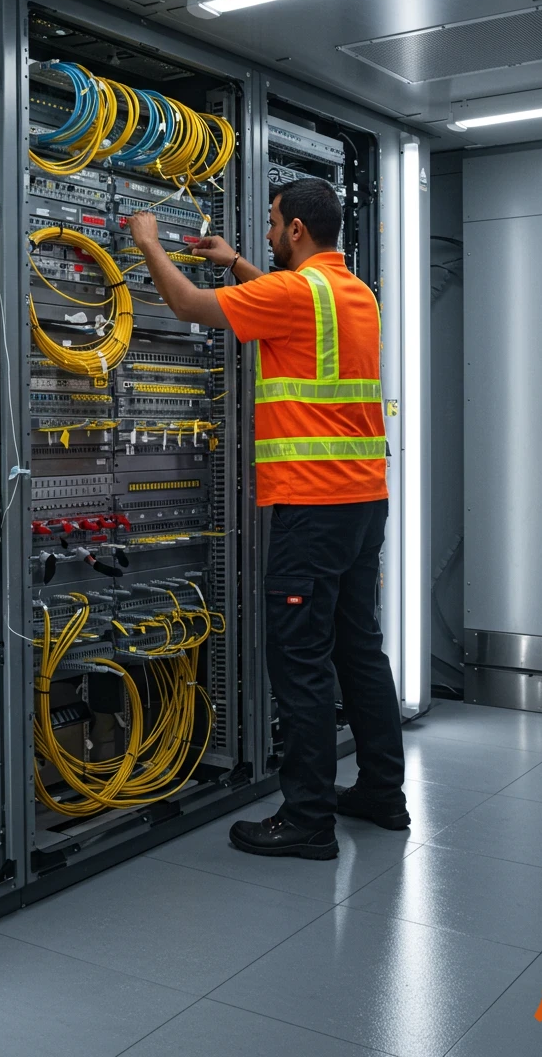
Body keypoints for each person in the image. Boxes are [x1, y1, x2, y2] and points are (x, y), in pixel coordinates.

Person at [128, 177, 407, 861]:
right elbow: (287, 309)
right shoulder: (352, 293)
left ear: (297, 232)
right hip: (364, 502)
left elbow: (188, 303)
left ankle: (308, 816)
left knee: (300, 658)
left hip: (312, 505)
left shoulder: (293, 292)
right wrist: (235, 264)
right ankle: (381, 792)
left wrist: (147, 244)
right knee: (358, 650)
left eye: (275, 224)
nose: (271, 233)